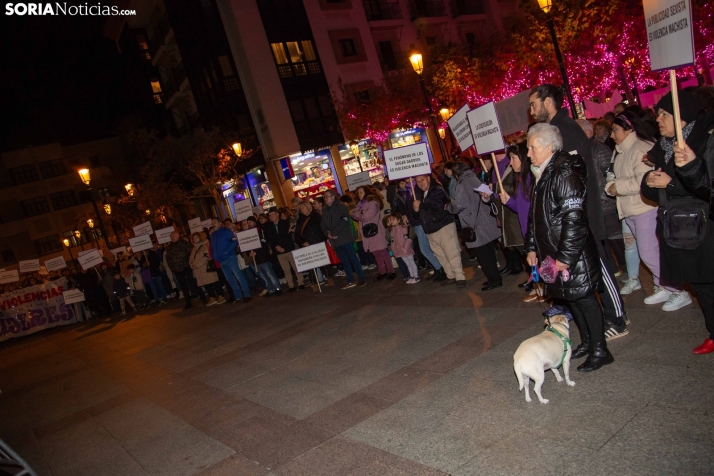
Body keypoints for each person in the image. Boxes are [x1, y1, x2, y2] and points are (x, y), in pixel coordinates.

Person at [529, 84, 627, 329]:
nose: (531, 111)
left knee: (600, 269)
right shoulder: (557, 129)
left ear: (548, 102)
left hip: (582, 218)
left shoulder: (566, 130)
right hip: (575, 218)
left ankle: (617, 318)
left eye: (534, 104)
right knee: (588, 273)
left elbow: (573, 180)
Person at [525, 123, 613, 372]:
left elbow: (574, 217)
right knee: (571, 297)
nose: (529, 153)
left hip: (571, 253)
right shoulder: (543, 173)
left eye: (532, 148)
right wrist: (532, 247)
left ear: (549, 147)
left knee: (585, 298)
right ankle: (587, 342)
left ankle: (600, 349)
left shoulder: (563, 173)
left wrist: (565, 256)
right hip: (553, 252)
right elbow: (536, 217)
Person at [641, 90, 706, 313]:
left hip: (699, 224)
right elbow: (652, 191)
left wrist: (670, 184)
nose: (657, 119)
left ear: (682, 118)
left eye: (664, 114)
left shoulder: (701, 142)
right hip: (675, 224)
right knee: (698, 283)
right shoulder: (663, 147)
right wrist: (648, 181)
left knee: (706, 281)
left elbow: (704, 185)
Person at [605, 111, 670, 314]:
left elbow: (644, 180)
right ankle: (663, 284)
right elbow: (612, 177)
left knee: (649, 251)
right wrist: (611, 186)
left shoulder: (639, 148)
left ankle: (672, 287)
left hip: (643, 207)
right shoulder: (621, 151)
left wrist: (617, 186)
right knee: (643, 250)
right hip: (630, 208)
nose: (612, 135)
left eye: (615, 130)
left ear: (629, 129)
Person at [669, 86, 714, 354]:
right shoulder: (699, 137)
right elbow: (706, 186)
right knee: (703, 284)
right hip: (696, 219)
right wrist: (691, 167)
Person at [578, 118, 626, 278]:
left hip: (605, 203)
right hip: (592, 205)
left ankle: (628, 271)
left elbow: (610, 174)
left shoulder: (598, 149)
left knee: (616, 240)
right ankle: (612, 270)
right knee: (602, 241)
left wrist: (608, 195)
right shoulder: (580, 151)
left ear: (586, 133)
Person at [447, 161, 500, 290]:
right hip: (485, 221)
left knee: (483, 255)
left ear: (455, 173)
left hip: (475, 224)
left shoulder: (462, 184)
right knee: (489, 252)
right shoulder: (475, 178)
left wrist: (449, 207)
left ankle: (493, 280)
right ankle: (496, 277)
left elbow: (459, 205)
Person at [413, 174, 460, 285]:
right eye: (417, 181)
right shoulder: (420, 194)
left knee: (451, 253)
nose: (420, 183)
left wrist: (422, 205)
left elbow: (438, 207)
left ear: (428, 179)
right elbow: (419, 215)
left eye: (422, 179)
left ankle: (459, 276)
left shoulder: (437, 190)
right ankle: (450, 275)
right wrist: (415, 210)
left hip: (443, 225)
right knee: (440, 255)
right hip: (431, 229)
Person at [494, 143, 532, 280]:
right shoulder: (520, 179)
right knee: (532, 262)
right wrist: (509, 201)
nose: (511, 163)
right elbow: (520, 207)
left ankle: (539, 287)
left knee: (536, 263)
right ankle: (536, 286)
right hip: (526, 231)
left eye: (514, 158)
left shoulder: (530, 179)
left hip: (532, 231)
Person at [321, 189, 366, 289]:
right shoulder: (324, 210)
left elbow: (343, 221)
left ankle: (361, 278)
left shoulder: (341, 207)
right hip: (335, 241)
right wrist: (327, 233)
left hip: (344, 238)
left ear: (333, 197)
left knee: (353, 259)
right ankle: (350, 280)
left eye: (327, 197)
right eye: (324, 197)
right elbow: (323, 224)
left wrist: (333, 233)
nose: (325, 199)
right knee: (344, 261)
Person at [351, 186, 395, 281]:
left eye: (361, 192)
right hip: (367, 233)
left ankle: (391, 271)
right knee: (375, 253)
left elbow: (368, 216)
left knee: (383, 252)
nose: (359, 194)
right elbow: (353, 214)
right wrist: (361, 212)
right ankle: (382, 271)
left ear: (366, 192)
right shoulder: (359, 204)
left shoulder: (373, 203)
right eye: (358, 193)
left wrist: (360, 214)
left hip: (376, 231)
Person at [209, 218, 252, 303]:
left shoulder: (226, 231)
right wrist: (215, 256)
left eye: (215, 222)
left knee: (238, 276)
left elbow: (235, 242)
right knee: (230, 279)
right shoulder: (213, 235)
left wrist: (226, 252)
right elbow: (212, 247)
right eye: (212, 223)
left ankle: (247, 294)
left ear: (220, 223)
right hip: (221, 261)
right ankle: (238, 296)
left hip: (230, 258)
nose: (213, 224)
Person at [264, 207, 304, 291]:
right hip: (279, 252)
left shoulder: (285, 223)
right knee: (286, 270)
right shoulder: (269, 227)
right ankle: (291, 286)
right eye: (269, 215)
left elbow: (288, 236)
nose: (270, 217)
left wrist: (283, 247)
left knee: (296, 267)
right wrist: (276, 247)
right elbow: (269, 239)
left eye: (272, 215)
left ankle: (301, 283)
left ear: (277, 215)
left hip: (289, 249)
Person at [166, 232, 209, 309]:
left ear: (178, 235)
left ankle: (203, 298)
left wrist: (189, 263)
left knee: (194, 283)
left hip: (186, 267)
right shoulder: (169, 247)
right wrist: (172, 268)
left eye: (173, 236)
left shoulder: (184, 243)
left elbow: (191, 253)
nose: (172, 237)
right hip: (177, 269)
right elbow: (168, 259)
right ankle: (188, 302)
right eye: (171, 236)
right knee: (183, 287)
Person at [243, 217, 282, 297]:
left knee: (269, 273)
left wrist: (256, 251)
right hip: (256, 259)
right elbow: (246, 244)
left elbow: (264, 242)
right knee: (263, 275)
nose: (249, 223)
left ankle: (277, 288)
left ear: (254, 222)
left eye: (251, 222)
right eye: (248, 222)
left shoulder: (260, 230)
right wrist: (249, 253)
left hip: (263, 256)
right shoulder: (247, 233)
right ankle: (271, 289)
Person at [190, 231, 225, 305]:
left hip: (206, 268)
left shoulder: (205, 246)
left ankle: (221, 296)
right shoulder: (194, 248)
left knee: (214, 282)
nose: (195, 240)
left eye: (196, 238)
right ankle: (212, 298)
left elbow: (206, 257)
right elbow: (191, 258)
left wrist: (198, 264)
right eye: (193, 238)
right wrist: (191, 264)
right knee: (206, 284)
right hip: (199, 270)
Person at [384, 213, 419, 284]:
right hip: (400, 251)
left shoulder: (403, 228)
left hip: (406, 250)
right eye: (391, 220)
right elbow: (393, 241)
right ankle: (412, 276)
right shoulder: (392, 231)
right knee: (408, 264)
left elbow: (408, 239)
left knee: (411, 263)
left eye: (394, 219)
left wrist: (405, 248)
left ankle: (416, 276)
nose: (392, 221)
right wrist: (394, 250)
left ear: (399, 220)